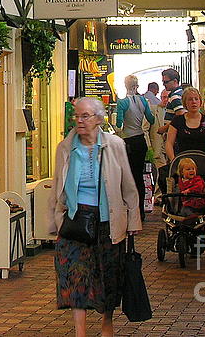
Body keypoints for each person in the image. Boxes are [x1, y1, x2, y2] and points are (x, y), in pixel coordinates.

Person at [50, 97, 141, 337]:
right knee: (74, 276)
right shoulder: (65, 147)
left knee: (108, 276)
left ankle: (106, 323)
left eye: (85, 116)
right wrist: (55, 222)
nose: (79, 121)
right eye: (76, 116)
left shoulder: (115, 145)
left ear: (99, 119)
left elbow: (129, 187)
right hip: (75, 220)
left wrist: (133, 222)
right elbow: (57, 185)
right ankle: (80, 332)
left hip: (107, 221)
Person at [163, 87, 205, 202]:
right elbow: (169, 143)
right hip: (182, 162)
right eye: (190, 100)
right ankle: (169, 202)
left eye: (196, 99)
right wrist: (174, 160)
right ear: (185, 103)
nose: (193, 102)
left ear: (200, 102)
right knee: (163, 173)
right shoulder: (177, 121)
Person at [115, 75, 155, 220]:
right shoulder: (144, 101)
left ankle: (129, 209)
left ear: (125, 85)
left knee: (128, 176)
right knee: (139, 175)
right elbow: (151, 119)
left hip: (128, 141)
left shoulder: (122, 103)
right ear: (137, 86)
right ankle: (140, 211)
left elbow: (118, 125)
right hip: (140, 141)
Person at [156, 68, 186, 138]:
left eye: (166, 82)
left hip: (175, 135)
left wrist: (164, 128)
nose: (163, 84)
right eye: (163, 82)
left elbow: (180, 116)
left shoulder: (175, 97)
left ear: (175, 81)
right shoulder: (181, 93)